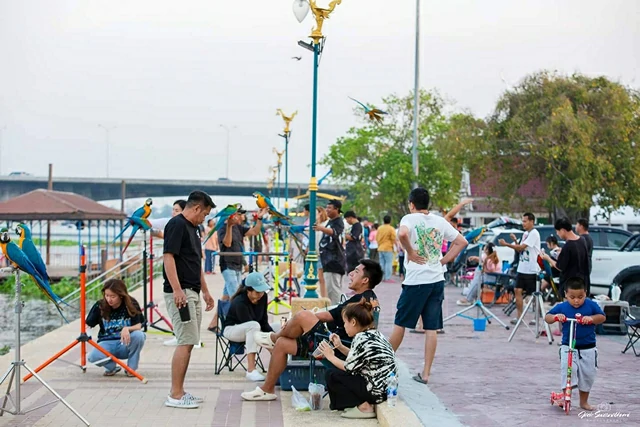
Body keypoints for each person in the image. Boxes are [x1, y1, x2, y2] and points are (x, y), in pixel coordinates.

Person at [241, 259, 382, 401]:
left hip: (338, 349)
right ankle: (267, 390)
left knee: (304, 316)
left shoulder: (361, 301)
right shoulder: (368, 298)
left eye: (356, 272)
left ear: (365, 280)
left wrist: (298, 320)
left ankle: (272, 338)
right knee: (282, 343)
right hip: (334, 343)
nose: (350, 274)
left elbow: (327, 316)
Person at [389, 187, 467, 385]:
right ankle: (425, 374)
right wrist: (444, 261)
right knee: (431, 327)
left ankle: (382, 363)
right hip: (436, 280)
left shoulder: (409, 218)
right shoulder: (439, 221)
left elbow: (402, 234)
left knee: (400, 323)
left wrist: (411, 252)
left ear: (411, 204)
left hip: (416, 280)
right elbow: (461, 242)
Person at [163, 190, 216, 409]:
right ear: (196, 208)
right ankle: (175, 395)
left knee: (190, 341)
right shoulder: (176, 225)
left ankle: (180, 391)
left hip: (192, 291)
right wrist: (177, 290)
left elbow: (195, 263)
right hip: (181, 293)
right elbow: (168, 257)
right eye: (204, 214)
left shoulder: (193, 229)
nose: (204, 218)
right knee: (185, 341)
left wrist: (206, 291)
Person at [318, 299, 397, 419]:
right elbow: (358, 358)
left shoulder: (360, 338)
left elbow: (348, 367)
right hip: (388, 391)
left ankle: (363, 406)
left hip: (376, 392)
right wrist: (340, 347)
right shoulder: (376, 334)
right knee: (339, 374)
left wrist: (330, 356)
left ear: (353, 322)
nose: (344, 326)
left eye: (345, 323)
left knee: (332, 374)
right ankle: (357, 404)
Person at [545, 277, 605, 411]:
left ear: (586, 293)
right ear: (566, 294)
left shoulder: (591, 305)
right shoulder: (562, 306)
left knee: (588, 375)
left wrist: (591, 318)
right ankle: (566, 397)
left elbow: (601, 317)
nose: (576, 300)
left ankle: (584, 402)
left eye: (580, 297)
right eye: (572, 297)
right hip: (568, 346)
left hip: (588, 347)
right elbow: (547, 317)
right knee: (567, 370)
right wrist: (556, 317)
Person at [223, 272, 280, 382]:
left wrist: (275, 337)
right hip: (232, 329)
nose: (260, 294)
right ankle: (251, 370)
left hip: (253, 328)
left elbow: (264, 322)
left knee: (279, 326)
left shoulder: (263, 297)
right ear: (248, 290)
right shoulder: (239, 302)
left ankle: (284, 362)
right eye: (257, 292)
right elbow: (251, 325)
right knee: (254, 326)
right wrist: (270, 346)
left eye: (262, 291)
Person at [86, 279, 146, 376]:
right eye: (107, 295)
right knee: (93, 358)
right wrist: (87, 334)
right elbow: (88, 323)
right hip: (106, 342)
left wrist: (127, 329)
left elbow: (139, 325)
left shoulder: (131, 303)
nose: (109, 299)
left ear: (121, 295)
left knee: (139, 335)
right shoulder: (100, 305)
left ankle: (131, 369)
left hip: (125, 342)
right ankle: (111, 367)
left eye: (113, 296)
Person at [498, 213, 541, 324]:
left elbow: (522, 247)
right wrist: (515, 241)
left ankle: (536, 317)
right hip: (522, 268)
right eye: (522, 221)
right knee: (517, 290)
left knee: (534, 294)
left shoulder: (534, 233)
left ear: (532, 221)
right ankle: (519, 316)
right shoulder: (525, 234)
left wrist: (506, 244)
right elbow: (520, 249)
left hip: (531, 269)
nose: (523, 223)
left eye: (525, 221)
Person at [542, 217, 590, 296]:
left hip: (570, 285)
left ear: (562, 230)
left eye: (557, 231)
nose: (557, 234)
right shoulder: (582, 240)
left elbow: (560, 266)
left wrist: (548, 258)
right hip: (582, 283)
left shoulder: (568, 246)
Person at [315, 199, 346, 304]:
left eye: (330, 208)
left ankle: (335, 310)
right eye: (326, 207)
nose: (327, 210)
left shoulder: (339, 222)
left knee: (333, 291)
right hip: (327, 260)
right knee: (329, 289)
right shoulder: (330, 222)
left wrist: (321, 228)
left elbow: (334, 232)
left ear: (337, 209)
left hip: (334, 260)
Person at [314, 206, 329, 298]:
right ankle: (324, 297)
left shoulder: (325, 224)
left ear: (320, 213)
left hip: (324, 254)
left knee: (323, 278)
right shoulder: (316, 225)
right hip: (318, 254)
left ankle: (325, 298)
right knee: (321, 278)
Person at [376, 216, 396, 282]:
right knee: (388, 263)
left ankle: (381, 277)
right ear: (390, 221)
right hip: (388, 248)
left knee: (381, 263)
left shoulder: (379, 228)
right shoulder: (391, 228)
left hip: (380, 248)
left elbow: (377, 238)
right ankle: (387, 278)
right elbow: (393, 238)